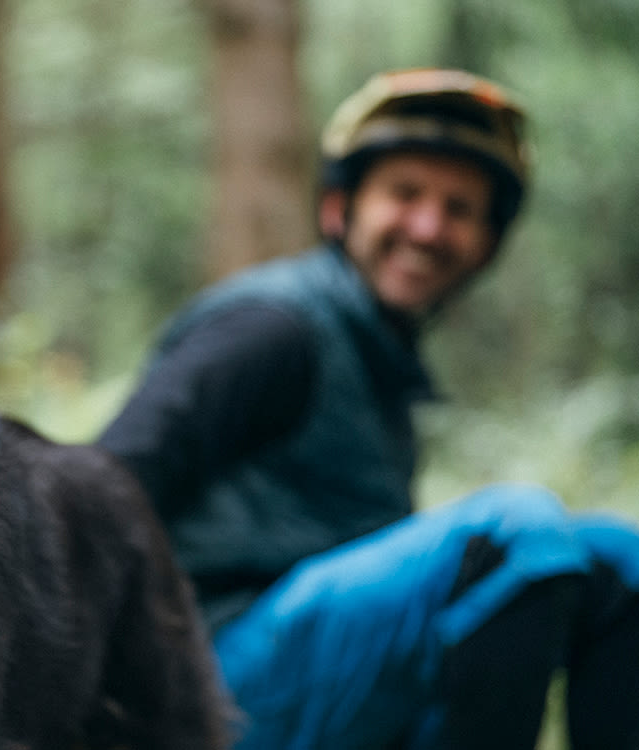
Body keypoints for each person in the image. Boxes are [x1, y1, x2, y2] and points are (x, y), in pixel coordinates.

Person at [98, 68, 639, 750]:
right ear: (339, 209)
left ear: (486, 246)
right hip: (207, 684)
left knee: (622, 558)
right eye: (404, 194)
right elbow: (100, 490)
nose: (428, 227)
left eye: (460, 208)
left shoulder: (379, 359)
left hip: (316, 673)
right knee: (513, 533)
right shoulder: (272, 328)